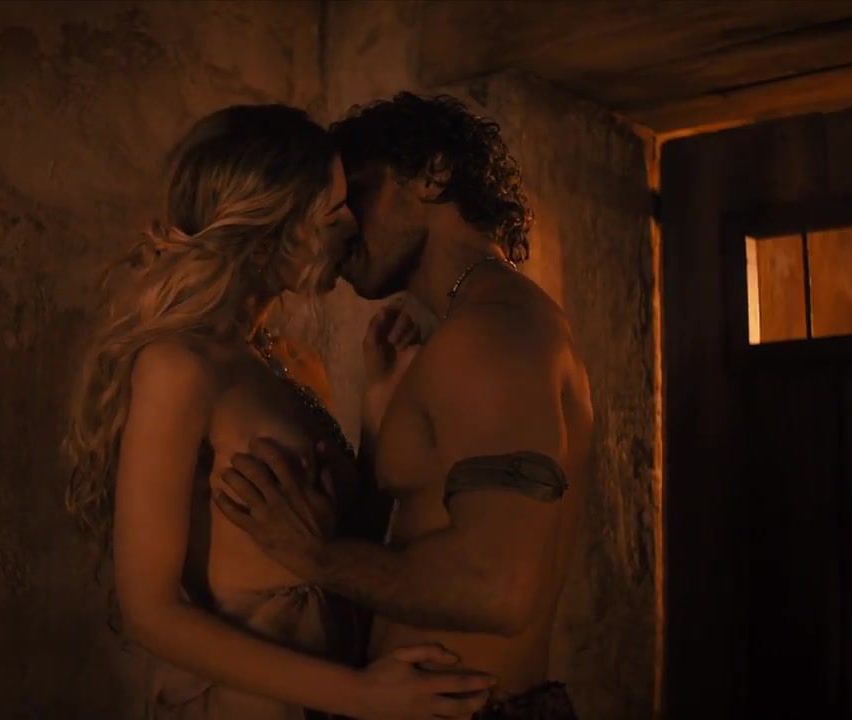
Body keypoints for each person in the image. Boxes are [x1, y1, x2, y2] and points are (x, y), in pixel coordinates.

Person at [62, 104, 497, 720]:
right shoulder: (179, 367)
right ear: (272, 226)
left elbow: (345, 545)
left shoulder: (292, 360)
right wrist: (361, 696)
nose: (353, 226)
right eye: (333, 211)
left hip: (333, 695)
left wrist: (376, 408)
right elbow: (150, 613)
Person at [214, 93, 591, 720]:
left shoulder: (491, 332)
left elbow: (497, 591)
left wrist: (315, 557)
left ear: (432, 174)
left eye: (355, 194)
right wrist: (378, 415)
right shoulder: (471, 330)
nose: (338, 227)